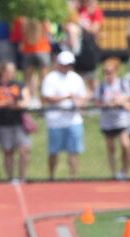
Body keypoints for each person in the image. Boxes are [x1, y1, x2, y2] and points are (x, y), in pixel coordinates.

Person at [41, 51, 89, 180]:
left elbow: (83, 96)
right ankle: (51, 176)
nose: (67, 67)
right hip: (55, 121)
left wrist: (80, 103)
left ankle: (73, 177)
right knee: (53, 152)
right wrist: (66, 97)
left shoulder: (76, 78)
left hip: (73, 120)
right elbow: (47, 97)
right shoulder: (51, 78)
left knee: (74, 151)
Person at [0, 61, 32, 182]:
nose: (12, 73)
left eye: (13, 71)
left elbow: (26, 101)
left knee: (24, 149)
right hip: (3, 123)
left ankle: (23, 177)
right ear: (3, 71)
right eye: (9, 71)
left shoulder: (19, 84)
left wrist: (15, 105)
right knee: (8, 151)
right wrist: (6, 103)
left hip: (19, 123)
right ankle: (11, 178)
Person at [96, 57, 130, 180]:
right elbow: (98, 102)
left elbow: (129, 97)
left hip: (121, 120)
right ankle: (113, 174)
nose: (108, 75)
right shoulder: (102, 86)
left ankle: (124, 170)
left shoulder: (122, 83)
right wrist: (108, 104)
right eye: (106, 72)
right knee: (111, 148)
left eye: (110, 72)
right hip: (108, 121)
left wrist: (120, 100)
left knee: (125, 145)